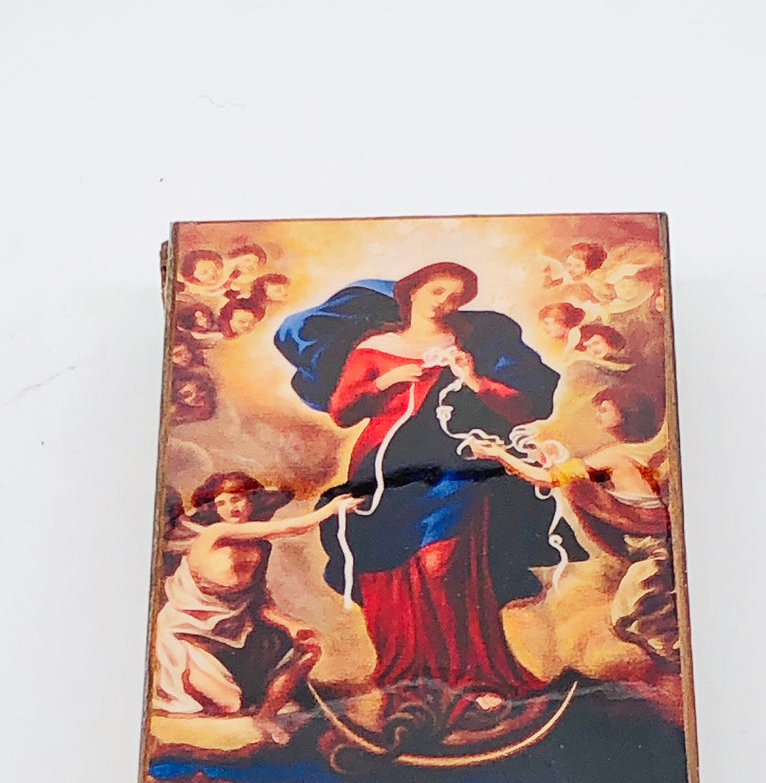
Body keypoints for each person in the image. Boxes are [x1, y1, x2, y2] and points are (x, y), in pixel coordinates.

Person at [276, 263, 586, 709]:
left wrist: (473, 378)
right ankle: (407, 677)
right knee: (387, 568)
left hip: (456, 461)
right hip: (385, 466)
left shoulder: (472, 347)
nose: (445, 303)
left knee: (444, 563)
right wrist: (385, 381)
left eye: (456, 297)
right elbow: (342, 412)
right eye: (438, 291)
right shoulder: (375, 348)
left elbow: (523, 407)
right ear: (413, 293)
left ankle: (475, 675)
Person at [470, 387, 678, 669]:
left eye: (605, 409)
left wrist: (498, 455)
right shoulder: (628, 454)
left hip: (655, 551)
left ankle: (678, 660)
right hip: (650, 546)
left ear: (625, 415)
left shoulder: (613, 458)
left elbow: (549, 479)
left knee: (629, 614)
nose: (598, 414)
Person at [154, 472, 359, 725]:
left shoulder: (260, 547)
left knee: (309, 648)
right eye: (221, 503)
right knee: (230, 703)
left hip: (236, 632)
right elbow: (288, 528)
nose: (231, 508)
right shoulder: (215, 533)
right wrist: (330, 509)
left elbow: (259, 601)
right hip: (188, 636)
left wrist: (290, 624)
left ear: (252, 501)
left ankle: (266, 716)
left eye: (237, 499)